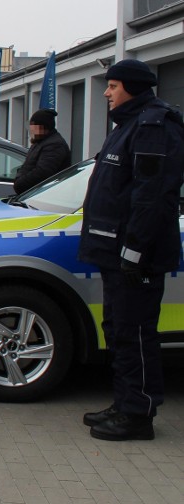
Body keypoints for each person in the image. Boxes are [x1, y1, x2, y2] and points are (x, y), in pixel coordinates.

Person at [78, 59, 184, 441]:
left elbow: (151, 198)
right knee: (120, 330)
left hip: (136, 256)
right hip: (118, 253)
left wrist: (134, 251)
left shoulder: (154, 127)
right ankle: (125, 404)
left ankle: (138, 416)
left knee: (135, 333)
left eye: (113, 86)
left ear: (133, 88)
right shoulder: (129, 125)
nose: (106, 92)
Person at [13, 108, 71, 193]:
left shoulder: (55, 144)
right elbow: (27, 166)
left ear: (44, 127)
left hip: (44, 194)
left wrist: (20, 184)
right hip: (33, 194)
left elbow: (42, 172)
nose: (31, 130)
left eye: (34, 126)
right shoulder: (39, 142)